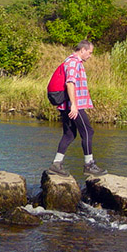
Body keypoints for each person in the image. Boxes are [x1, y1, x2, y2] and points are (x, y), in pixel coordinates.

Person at [47, 40, 107, 177]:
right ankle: (89, 165)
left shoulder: (71, 61)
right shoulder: (74, 62)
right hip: (74, 106)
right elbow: (70, 83)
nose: (90, 56)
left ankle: (56, 164)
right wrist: (74, 105)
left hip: (68, 105)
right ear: (83, 50)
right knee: (88, 132)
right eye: (90, 52)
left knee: (69, 134)